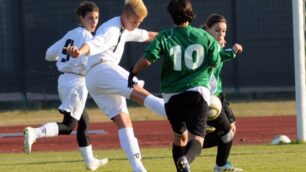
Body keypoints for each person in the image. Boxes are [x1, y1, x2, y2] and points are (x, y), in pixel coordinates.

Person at [66, 0, 166, 171]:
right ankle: (184, 117)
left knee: (123, 119)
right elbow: (93, 44)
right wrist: (78, 52)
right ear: (125, 15)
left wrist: (177, 37)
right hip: (102, 70)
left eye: (140, 21)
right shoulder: (111, 29)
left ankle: (138, 168)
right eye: (135, 20)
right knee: (141, 93)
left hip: (95, 80)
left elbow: (149, 36)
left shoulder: (127, 28)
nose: (137, 24)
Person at [127, 0, 223, 171]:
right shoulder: (205, 37)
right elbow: (215, 63)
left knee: (179, 137)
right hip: (197, 93)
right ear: (190, 14)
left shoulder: (165, 36)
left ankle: (182, 166)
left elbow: (147, 60)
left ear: (171, 15)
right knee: (197, 138)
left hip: (172, 96)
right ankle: (186, 159)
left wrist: (133, 72)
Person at [23, 1, 108, 171]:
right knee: (69, 126)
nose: (94, 21)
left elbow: (48, 55)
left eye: (96, 18)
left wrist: (63, 60)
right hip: (77, 83)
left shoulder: (70, 33)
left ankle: (90, 161)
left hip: (64, 80)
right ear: (81, 18)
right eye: (90, 18)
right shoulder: (88, 37)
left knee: (84, 121)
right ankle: (35, 133)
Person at [202, 13, 243, 172]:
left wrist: (223, 47)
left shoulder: (216, 43)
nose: (221, 34)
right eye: (217, 30)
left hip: (218, 94)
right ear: (207, 29)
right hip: (208, 96)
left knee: (230, 130)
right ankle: (187, 146)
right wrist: (231, 51)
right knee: (225, 133)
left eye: (224, 31)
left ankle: (221, 165)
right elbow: (215, 59)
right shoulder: (205, 44)